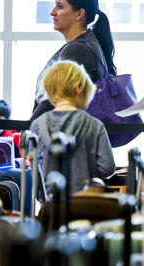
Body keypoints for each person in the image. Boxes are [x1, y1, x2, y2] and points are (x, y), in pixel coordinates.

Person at [29, 59, 114, 198]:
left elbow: (35, 170)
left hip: (50, 205)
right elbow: (107, 167)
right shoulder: (94, 125)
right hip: (84, 204)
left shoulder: (37, 125)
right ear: (78, 88)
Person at [31, 0, 116, 120]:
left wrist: (28, 132)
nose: (52, 12)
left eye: (60, 6)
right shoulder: (87, 43)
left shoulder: (78, 49)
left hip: (65, 137)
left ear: (79, 14)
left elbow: (54, 100)